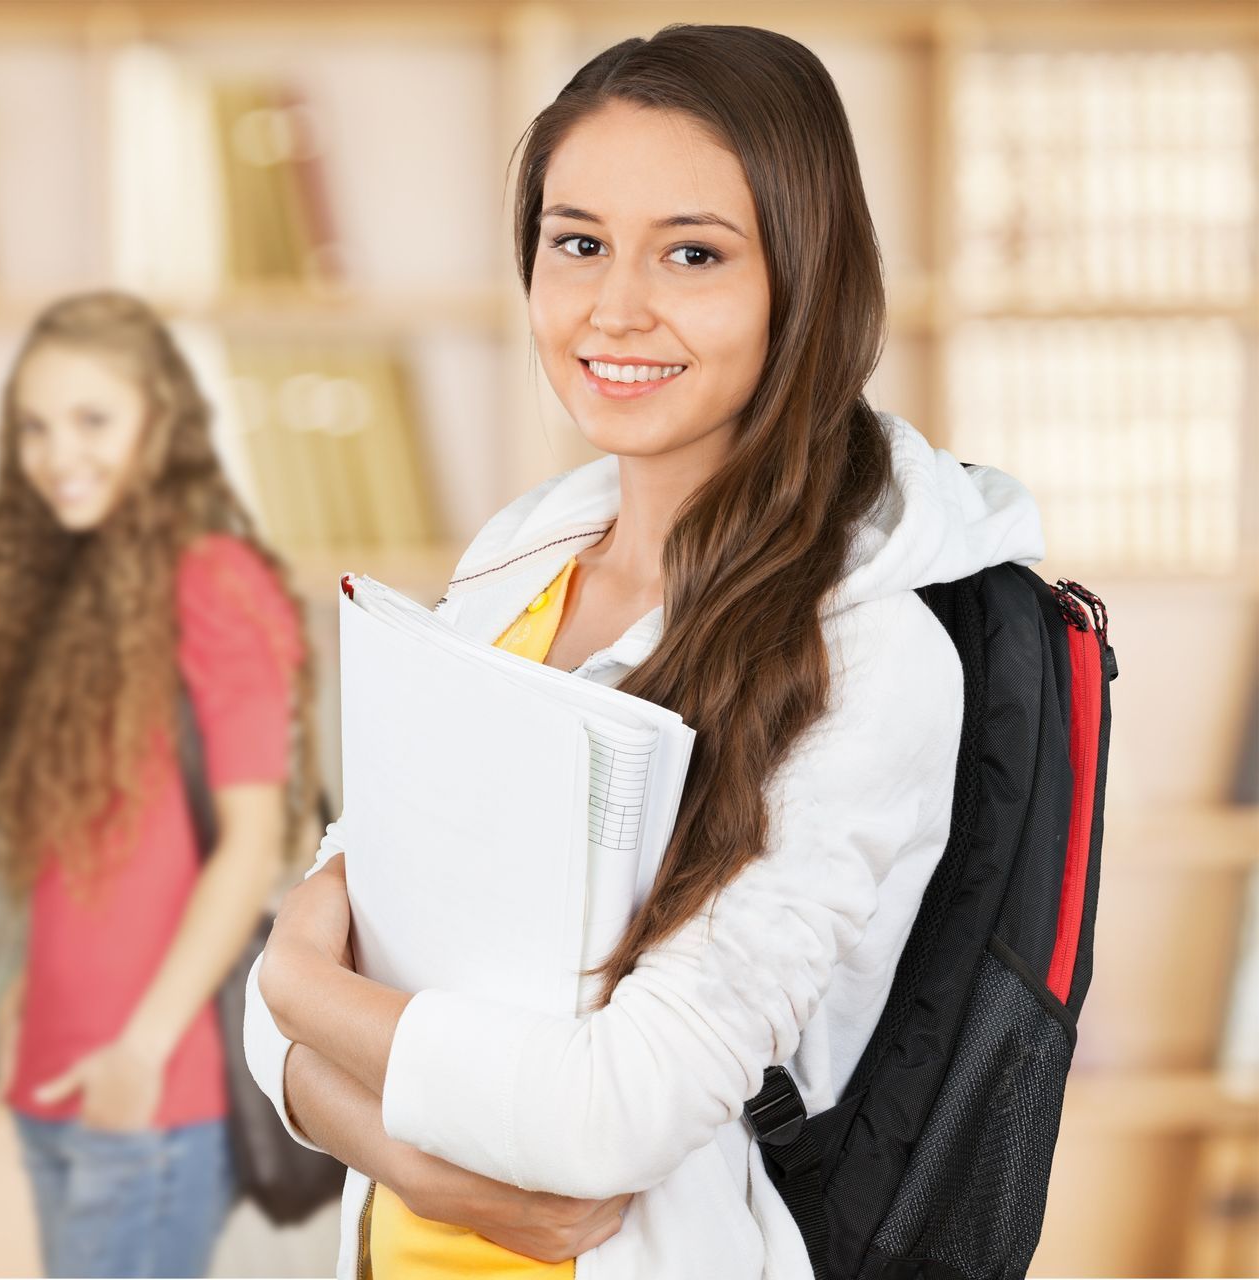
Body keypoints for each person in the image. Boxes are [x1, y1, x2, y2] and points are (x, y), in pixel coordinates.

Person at [243, 24, 1047, 1279]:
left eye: (693, 252)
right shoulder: (525, 554)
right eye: (578, 243)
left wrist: (297, 996)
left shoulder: (873, 652)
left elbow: (607, 1115)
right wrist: (385, 1123)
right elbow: (315, 967)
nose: (616, 307)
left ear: (804, 274)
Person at [0, 291, 318, 1279]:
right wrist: (31, 991)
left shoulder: (215, 580)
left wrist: (140, 1049)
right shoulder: (74, 589)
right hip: (56, 1076)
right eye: (35, 424)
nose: (58, 451)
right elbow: (95, 839)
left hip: (149, 1087)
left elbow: (248, 843)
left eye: (92, 418)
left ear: (161, 420)